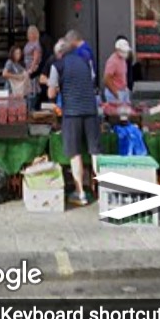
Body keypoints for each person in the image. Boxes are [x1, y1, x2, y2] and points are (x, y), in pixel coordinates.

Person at [48, 31, 101, 206]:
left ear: (59, 53)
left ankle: (80, 193)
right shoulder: (85, 61)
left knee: (75, 154)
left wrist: (54, 87)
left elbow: (51, 92)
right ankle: (103, 190)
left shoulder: (57, 65)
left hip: (71, 113)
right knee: (95, 152)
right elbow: (92, 81)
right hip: (91, 110)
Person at [24, 26, 45, 104]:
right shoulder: (29, 43)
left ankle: (33, 102)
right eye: (29, 34)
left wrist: (31, 69)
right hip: (27, 66)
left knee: (33, 86)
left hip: (32, 68)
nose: (30, 35)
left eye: (32, 33)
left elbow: (36, 58)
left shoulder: (36, 44)